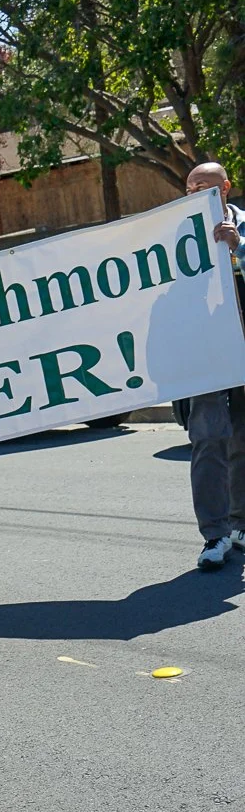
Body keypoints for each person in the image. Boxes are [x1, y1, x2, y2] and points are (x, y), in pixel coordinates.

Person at [181, 162, 245, 570]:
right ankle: (215, 536)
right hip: (202, 354)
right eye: (188, 188)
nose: (194, 193)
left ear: (225, 188)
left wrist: (237, 249)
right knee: (208, 437)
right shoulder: (174, 235)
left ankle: (240, 525)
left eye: (203, 186)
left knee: (242, 437)